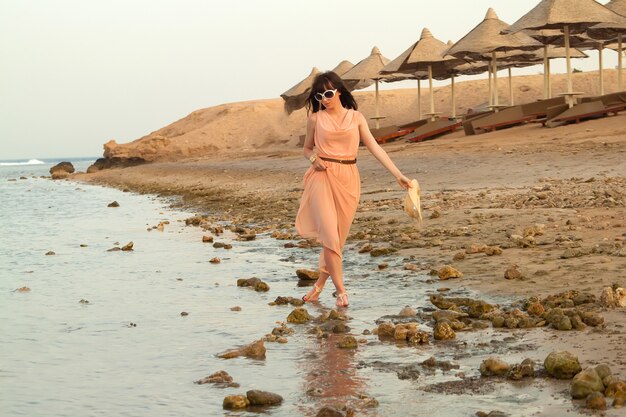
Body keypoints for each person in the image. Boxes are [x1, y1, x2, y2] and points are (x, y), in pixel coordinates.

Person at [295, 71, 413, 308]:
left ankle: (318, 285)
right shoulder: (315, 120)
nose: (325, 99)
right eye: (319, 96)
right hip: (322, 177)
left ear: (339, 91)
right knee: (329, 235)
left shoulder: (356, 117)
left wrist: (398, 175)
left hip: (349, 179)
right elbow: (307, 149)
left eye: (328, 93)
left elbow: (375, 148)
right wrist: (313, 159)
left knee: (337, 241)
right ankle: (341, 292)